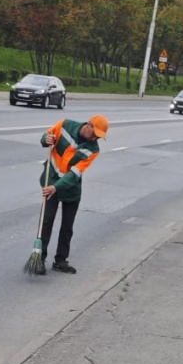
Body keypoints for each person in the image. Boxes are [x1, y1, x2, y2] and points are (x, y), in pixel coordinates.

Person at [34, 115, 108, 275]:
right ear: (88, 125)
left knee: (67, 227)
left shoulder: (93, 149)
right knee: (46, 222)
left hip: (70, 187)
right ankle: (39, 258)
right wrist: (46, 139)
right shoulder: (65, 125)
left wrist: (57, 187)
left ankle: (60, 261)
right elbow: (45, 138)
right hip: (51, 178)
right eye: (94, 133)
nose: (95, 138)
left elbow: (75, 173)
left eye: (98, 137)